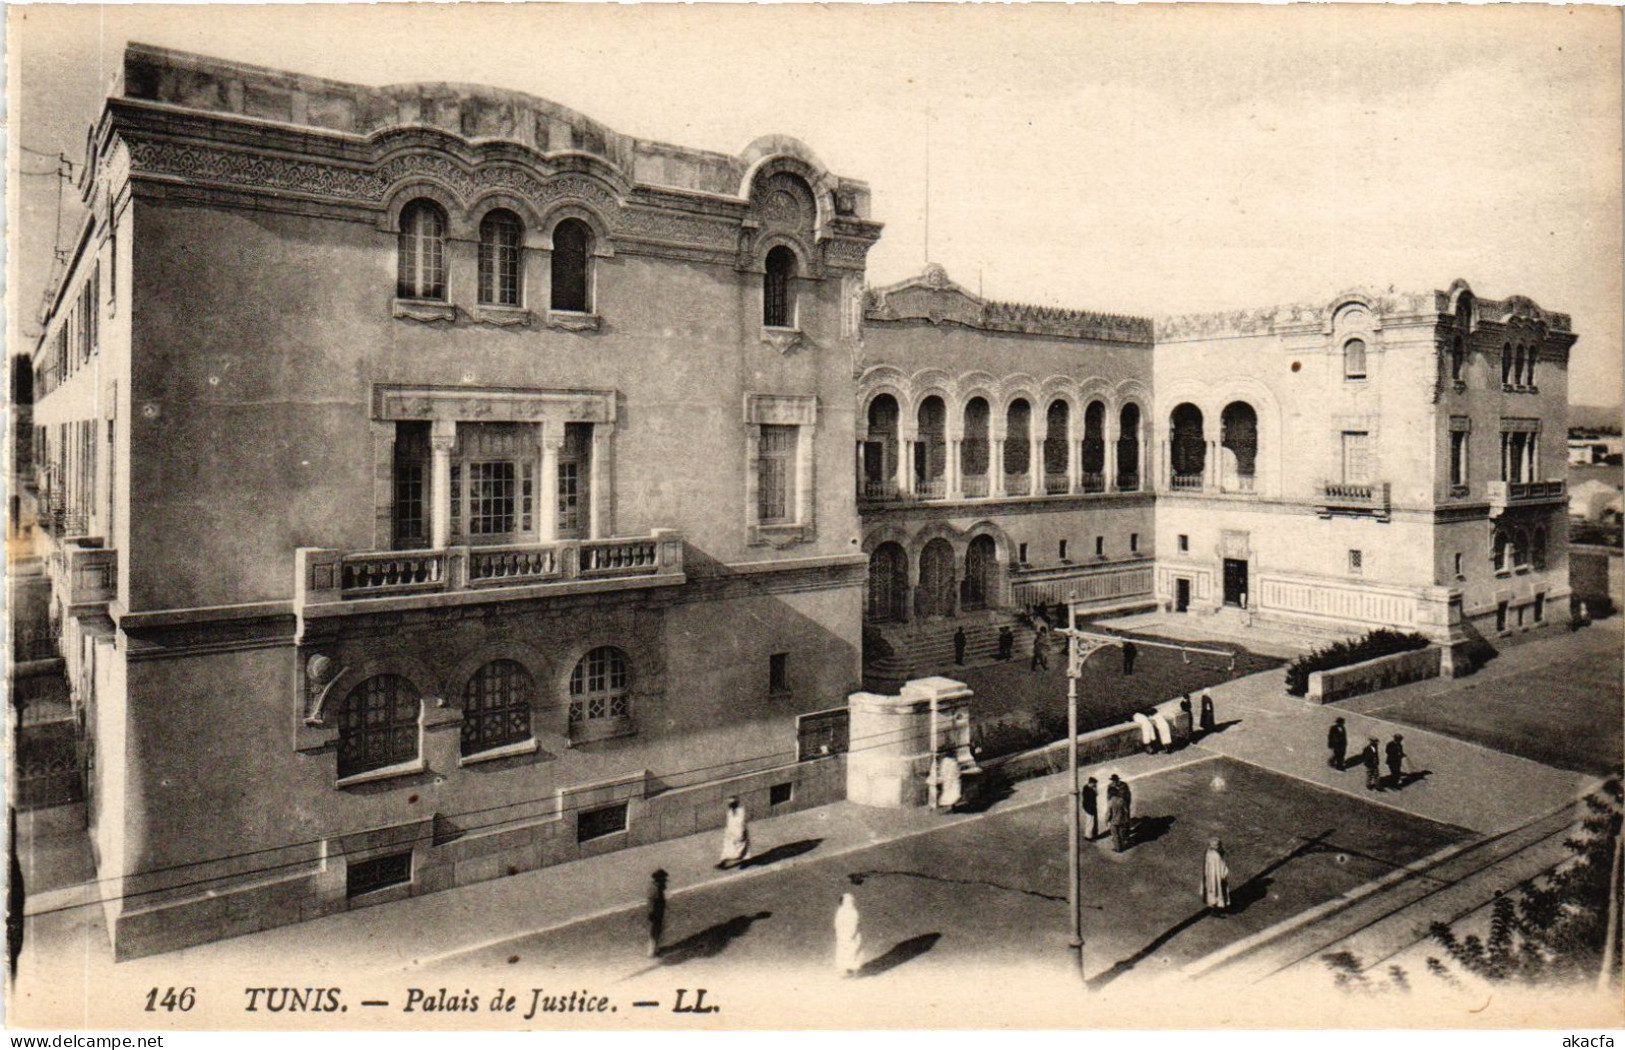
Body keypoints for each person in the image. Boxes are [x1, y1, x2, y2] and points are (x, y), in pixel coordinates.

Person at [717, 796, 750, 869]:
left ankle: (745, 862)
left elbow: (741, 822)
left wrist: (741, 833)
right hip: (730, 832)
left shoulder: (741, 811)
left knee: (742, 848)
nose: (730, 805)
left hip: (739, 832)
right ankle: (723, 862)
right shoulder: (730, 811)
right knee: (727, 847)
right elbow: (729, 822)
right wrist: (728, 831)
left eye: (732, 803)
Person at [834, 893, 863, 976]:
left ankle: (855, 972)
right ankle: (845, 971)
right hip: (843, 936)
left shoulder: (853, 912)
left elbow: (856, 923)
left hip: (852, 936)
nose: (849, 903)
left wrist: (852, 934)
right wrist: (840, 934)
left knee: (853, 952)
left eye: (851, 901)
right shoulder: (840, 911)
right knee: (843, 953)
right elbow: (837, 923)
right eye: (847, 901)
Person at [1202, 839, 1231, 913]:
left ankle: (1212, 906)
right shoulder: (1217, 856)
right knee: (1218, 891)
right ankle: (1217, 910)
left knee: (1211, 892)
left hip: (1210, 876)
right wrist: (1224, 874)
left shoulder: (1208, 853)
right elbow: (1222, 867)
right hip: (1217, 877)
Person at [645, 869, 668, 958]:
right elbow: (651, 902)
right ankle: (652, 951)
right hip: (656, 911)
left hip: (658, 910)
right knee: (655, 931)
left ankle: (655, 949)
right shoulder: (654, 888)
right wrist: (651, 912)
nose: (664, 880)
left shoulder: (655, 886)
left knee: (658, 930)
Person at [1107, 781, 1130, 853]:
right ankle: (1123, 846)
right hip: (1122, 820)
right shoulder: (1122, 800)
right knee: (1121, 834)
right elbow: (1126, 811)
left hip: (1114, 821)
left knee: (1115, 835)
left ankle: (1118, 848)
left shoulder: (1110, 802)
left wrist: (1106, 820)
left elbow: (1108, 813)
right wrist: (1126, 818)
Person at [1081, 776, 1100, 841]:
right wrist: (1094, 790)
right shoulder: (1087, 789)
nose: (1095, 785)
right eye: (1094, 784)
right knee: (1090, 822)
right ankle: (1088, 836)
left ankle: (1093, 834)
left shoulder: (1088, 788)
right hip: (1089, 808)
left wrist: (1095, 789)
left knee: (1092, 822)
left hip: (1092, 807)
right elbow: (1094, 796)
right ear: (1091, 783)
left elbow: (1096, 794)